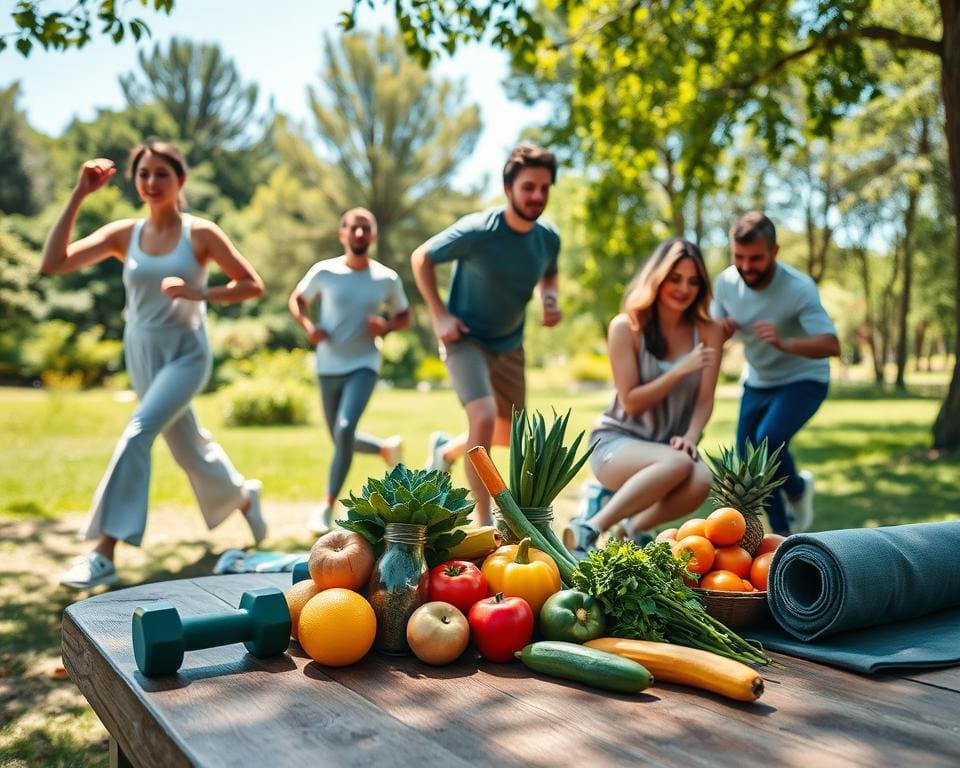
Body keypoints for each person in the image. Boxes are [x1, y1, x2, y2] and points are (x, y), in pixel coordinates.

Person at [41, 141, 267, 590]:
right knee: (187, 448)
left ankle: (103, 551)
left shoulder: (200, 233)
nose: (151, 182)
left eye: (161, 173)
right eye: (143, 174)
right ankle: (243, 496)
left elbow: (251, 285)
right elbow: (53, 263)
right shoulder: (124, 234)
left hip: (186, 352)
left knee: (138, 432)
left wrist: (198, 293)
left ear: (180, 180)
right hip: (141, 350)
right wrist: (79, 194)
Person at [410, 144, 562, 525]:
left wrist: (550, 298)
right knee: (483, 415)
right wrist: (439, 315)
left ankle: (446, 450)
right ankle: (484, 520)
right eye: (529, 187)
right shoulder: (479, 230)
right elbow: (421, 257)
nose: (537, 196)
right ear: (508, 188)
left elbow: (550, 271)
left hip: (510, 343)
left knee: (508, 435)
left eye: (544, 188)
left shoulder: (547, 237)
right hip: (466, 338)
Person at [563, 239, 723, 557]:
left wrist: (691, 436)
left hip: (669, 449)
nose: (683, 288)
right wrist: (679, 370)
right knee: (678, 462)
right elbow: (632, 401)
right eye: (674, 278)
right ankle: (589, 526)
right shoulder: (627, 327)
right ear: (658, 278)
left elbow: (705, 399)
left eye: (693, 281)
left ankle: (630, 529)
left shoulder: (709, 331)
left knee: (702, 477)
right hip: (615, 444)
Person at [711, 211, 840, 535]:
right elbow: (711, 332)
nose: (745, 266)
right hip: (758, 380)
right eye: (738, 257)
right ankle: (796, 490)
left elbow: (831, 344)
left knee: (767, 444)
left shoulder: (798, 287)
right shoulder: (726, 283)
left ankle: (782, 536)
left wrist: (785, 342)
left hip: (804, 379)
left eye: (755, 258)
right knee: (745, 460)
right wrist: (720, 332)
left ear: (775, 252)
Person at [290, 208, 411, 535]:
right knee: (339, 437)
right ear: (342, 234)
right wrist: (308, 327)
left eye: (366, 229)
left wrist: (385, 326)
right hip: (328, 365)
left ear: (373, 235)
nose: (359, 234)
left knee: (344, 430)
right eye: (354, 228)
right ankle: (385, 449)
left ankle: (326, 506)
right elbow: (298, 299)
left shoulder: (386, 278)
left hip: (364, 365)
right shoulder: (325, 271)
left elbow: (404, 316)